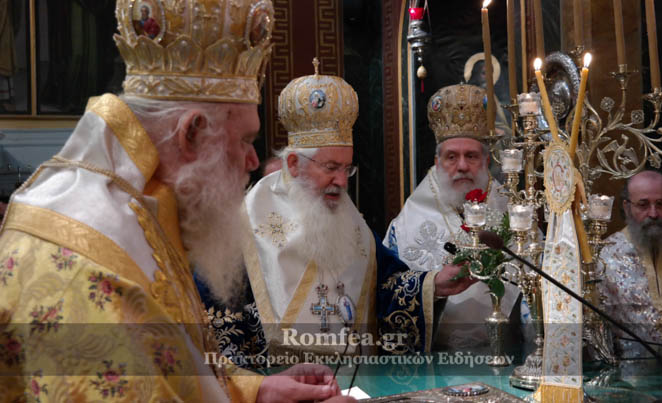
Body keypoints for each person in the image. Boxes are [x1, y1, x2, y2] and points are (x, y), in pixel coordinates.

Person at [0, 0, 351, 403]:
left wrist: (257, 389)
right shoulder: (89, 253)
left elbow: (172, 362)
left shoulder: (140, 205)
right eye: (245, 139)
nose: (252, 159)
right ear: (191, 133)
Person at [196, 59, 478, 365]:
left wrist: (433, 286)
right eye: (330, 168)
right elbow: (219, 322)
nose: (342, 182)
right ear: (293, 165)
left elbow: (384, 290)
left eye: (347, 168)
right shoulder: (244, 224)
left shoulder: (351, 222)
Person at [384, 83, 521, 350]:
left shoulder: (514, 210)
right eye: (451, 157)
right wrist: (432, 286)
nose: (461, 166)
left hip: (508, 355)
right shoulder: (405, 223)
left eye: (471, 156)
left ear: (485, 160)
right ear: (437, 163)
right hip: (437, 360)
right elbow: (390, 291)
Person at [598, 170, 662, 358]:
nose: (653, 213)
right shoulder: (604, 258)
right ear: (627, 207)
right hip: (629, 377)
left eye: (660, 204)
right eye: (643, 205)